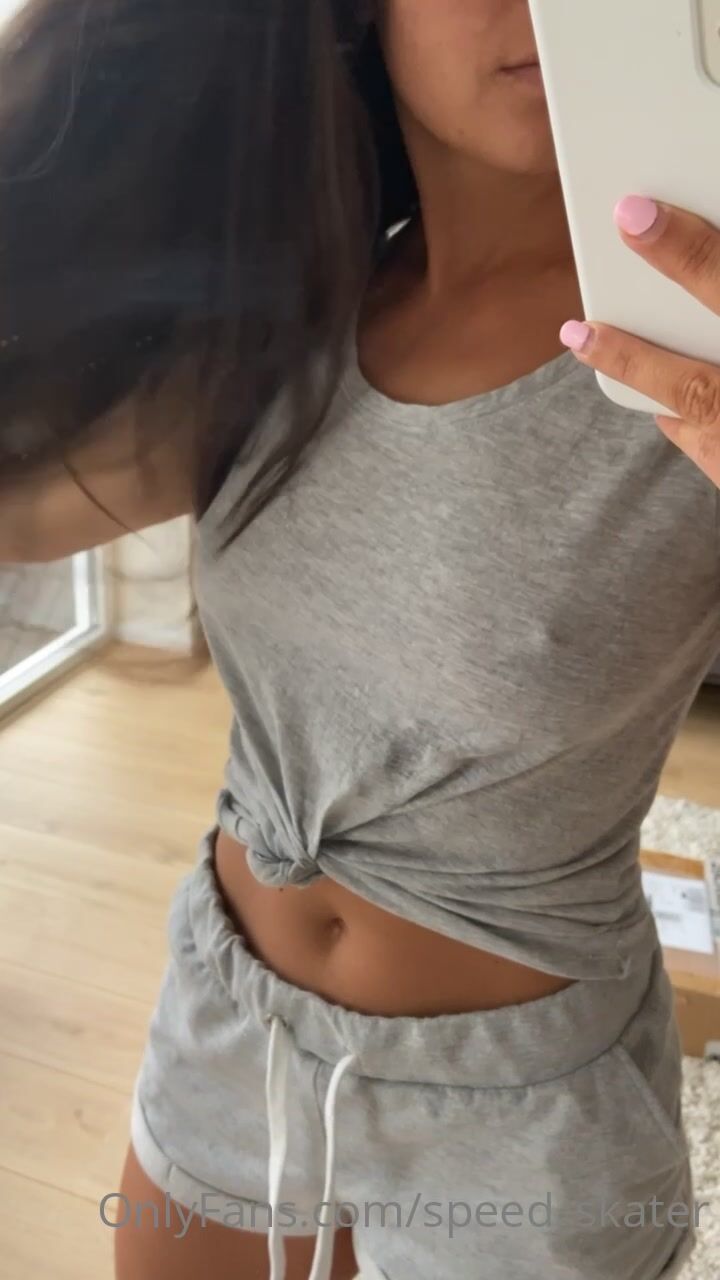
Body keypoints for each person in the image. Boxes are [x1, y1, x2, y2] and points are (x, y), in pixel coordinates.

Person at [2, 1, 718, 1277]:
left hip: (526, 1112)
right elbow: (25, 510)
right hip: (229, 1018)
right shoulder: (297, 305)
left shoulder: (693, 341)